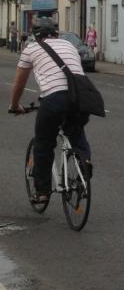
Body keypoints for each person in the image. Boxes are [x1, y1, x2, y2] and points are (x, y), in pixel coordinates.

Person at [8, 17, 92, 203]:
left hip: (54, 99)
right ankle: (84, 164)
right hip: (81, 97)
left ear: (35, 36)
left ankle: (42, 192)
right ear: (56, 33)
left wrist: (14, 105)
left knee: (43, 144)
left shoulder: (31, 48)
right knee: (77, 133)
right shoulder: (70, 46)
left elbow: (19, 83)